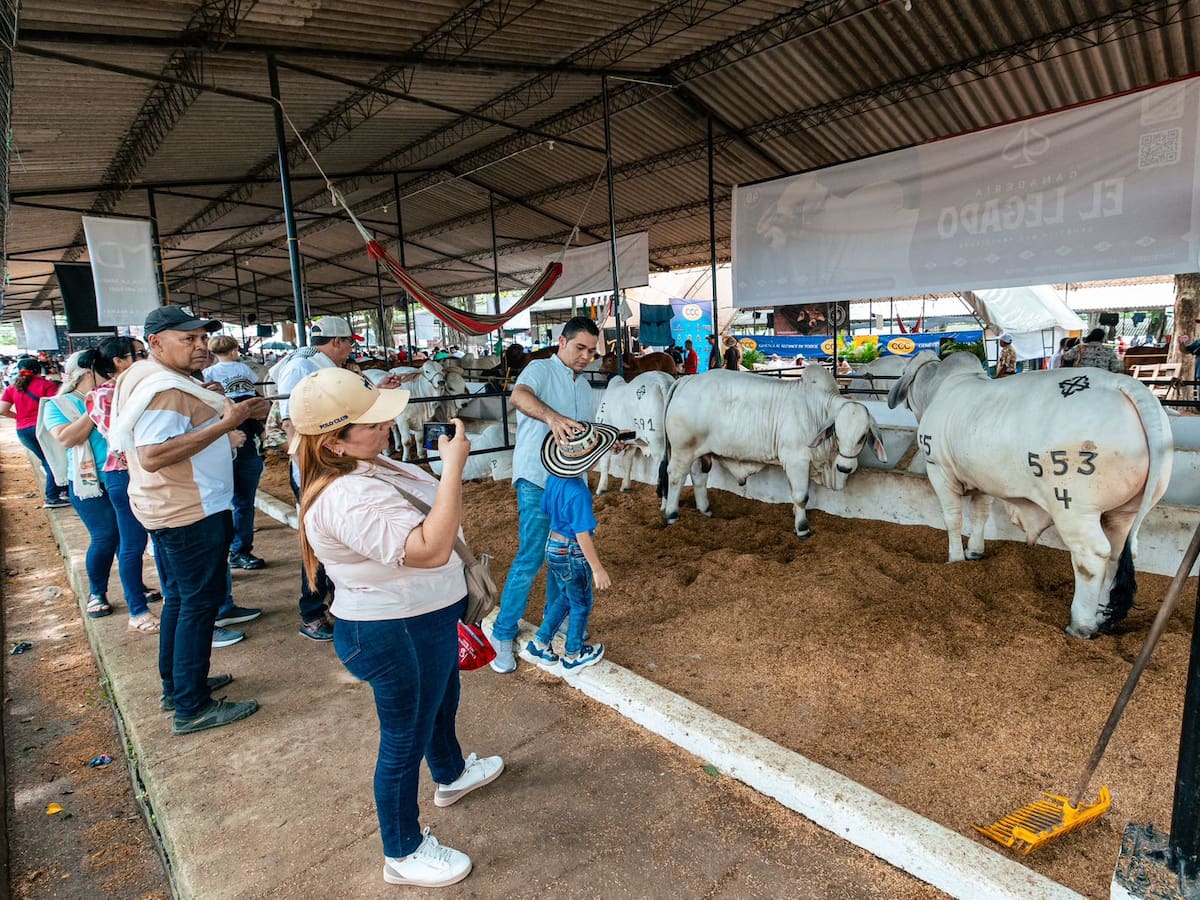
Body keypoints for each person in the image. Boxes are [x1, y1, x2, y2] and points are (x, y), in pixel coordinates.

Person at [291, 368, 503, 888]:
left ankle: (451, 774)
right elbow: (428, 549)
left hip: (421, 617)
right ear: (333, 443)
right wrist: (453, 468)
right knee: (404, 737)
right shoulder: (347, 496)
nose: (387, 424)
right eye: (371, 423)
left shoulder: (368, 463)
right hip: (392, 629)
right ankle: (402, 851)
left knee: (440, 698)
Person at [110, 305, 269, 734]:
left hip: (170, 506)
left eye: (202, 338)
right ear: (156, 343)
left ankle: (179, 686)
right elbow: (156, 454)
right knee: (198, 604)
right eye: (189, 339)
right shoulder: (165, 389)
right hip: (188, 509)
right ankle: (192, 706)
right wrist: (227, 422)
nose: (200, 346)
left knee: (181, 599)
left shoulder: (148, 376)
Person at [272, 316, 402, 642]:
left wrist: (375, 391)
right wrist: (313, 467)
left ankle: (335, 604)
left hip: (338, 465)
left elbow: (343, 409)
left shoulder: (325, 365)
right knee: (319, 540)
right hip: (321, 469)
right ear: (336, 342)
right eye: (349, 343)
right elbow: (291, 423)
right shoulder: (302, 368)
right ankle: (312, 613)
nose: (350, 349)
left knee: (342, 537)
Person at [489, 316, 599, 674]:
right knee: (532, 556)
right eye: (580, 347)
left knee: (562, 558)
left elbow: (583, 435)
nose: (585, 356)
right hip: (537, 478)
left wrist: (607, 442)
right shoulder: (539, 370)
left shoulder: (585, 388)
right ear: (562, 342)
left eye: (592, 351)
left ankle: (556, 625)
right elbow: (519, 396)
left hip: (570, 482)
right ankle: (503, 633)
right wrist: (551, 417)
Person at [81, 338, 163, 632]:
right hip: (129, 473)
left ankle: (155, 602)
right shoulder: (107, 394)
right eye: (140, 354)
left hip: (139, 472)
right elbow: (125, 433)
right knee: (134, 543)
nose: (146, 358)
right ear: (119, 361)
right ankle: (137, 611)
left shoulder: (139, 387)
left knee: (156, 540)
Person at [523, 424, 616, 672]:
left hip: (552, 547)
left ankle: (540, 643)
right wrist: (597, 568)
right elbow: (581, 534)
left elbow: (546, 508)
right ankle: (573, 654)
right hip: (571, 552)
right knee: (581, 603)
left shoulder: (554, 479)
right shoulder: (579, 493)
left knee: (565, 597)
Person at [203, 335, 267, 571]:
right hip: (219, 442)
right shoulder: (212, 375)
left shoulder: (211, 373)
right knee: (221, 502)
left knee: (242, 499)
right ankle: (223, 553)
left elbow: (262, 406)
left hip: (242, 439)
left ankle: (239, 550)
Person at [0, 356, 69, 507]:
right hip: (43, 429)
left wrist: (20, 417)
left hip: (23, 431)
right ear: (39, 370)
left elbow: (2, 410)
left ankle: (60, 488)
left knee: (46, 460)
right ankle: (53, 496)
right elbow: (58, 407)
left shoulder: (12, 388)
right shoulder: (46, 385)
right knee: (53, 459)